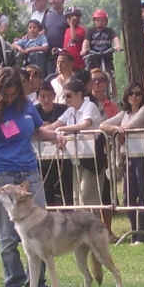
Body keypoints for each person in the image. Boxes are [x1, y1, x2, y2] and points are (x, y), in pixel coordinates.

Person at [0, 67, 64, 287]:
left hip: (29, 172)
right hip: (2, 174)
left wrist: (55, 136)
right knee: (8, 233)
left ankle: (37, 284)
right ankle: (14, 284)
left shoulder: (27, 106)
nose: (9, 99)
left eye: (13, 94)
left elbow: (37, 131)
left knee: (40, 228)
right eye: (5, 95)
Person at [100, 83, 144, 243]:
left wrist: (118, 129)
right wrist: (117, 130)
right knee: (128, 197)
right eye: (131, 94)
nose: (135, 97)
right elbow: (103, 125)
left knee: (143, 195)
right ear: (127, 96)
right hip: (127, 157)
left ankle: (143, 234)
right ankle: (133, 232)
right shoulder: (124, 113)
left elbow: (130, 127)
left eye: (138, 94)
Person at [45, 78, 103, 206]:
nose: (66, 100)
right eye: (64, 96)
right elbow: (55, 125)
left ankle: (94, 225)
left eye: (69, 96)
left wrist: (62, 129)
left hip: (93, 159)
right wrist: (35, 131)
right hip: (77, 157)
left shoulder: (90, 106)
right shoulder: (71, 110)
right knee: (77, 198)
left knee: (88, 196)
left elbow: (85, 124)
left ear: (79, 94)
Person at [81, 9, 121, 74]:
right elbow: (86, 41)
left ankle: (111, 82)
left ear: (106, 21)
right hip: (93, 57)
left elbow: (115, 38)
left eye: (103, 20)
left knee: (111, 73)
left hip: (107, 56)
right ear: (94, 21)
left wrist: (117, 46)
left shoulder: (109, 31)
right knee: (90, 73)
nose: (100, 22)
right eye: (98, 20)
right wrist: (84, 49)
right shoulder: (90, 31)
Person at [42, 0, 68, 75]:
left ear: (63, 0)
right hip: (49, 55)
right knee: (50, 80)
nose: (53, 1)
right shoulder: (47, 14)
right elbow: (43, 30)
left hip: (64, 55)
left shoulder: (68, 15)